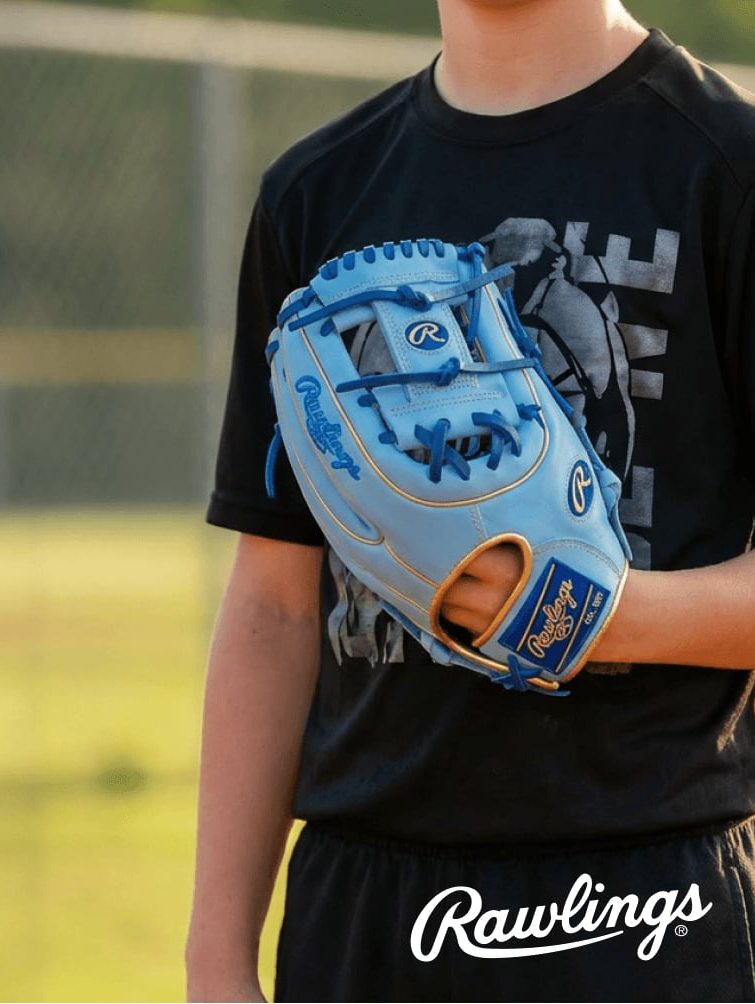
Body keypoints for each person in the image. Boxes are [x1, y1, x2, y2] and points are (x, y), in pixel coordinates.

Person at [186, 1, 755, 1000]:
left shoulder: (728, 167)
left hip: (653, 902)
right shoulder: (317, 194)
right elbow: (274, 601)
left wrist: (594, 615)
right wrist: (216, 954)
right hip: (365, 903)